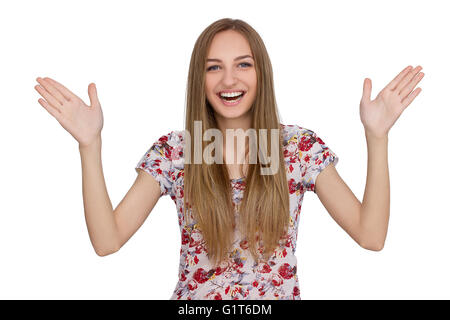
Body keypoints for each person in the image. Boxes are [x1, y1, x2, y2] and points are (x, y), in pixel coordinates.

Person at [34, 18, 424, 300]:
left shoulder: (295, 148)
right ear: (199, 80)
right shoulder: (178, 152)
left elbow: (371, 236)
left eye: (243, 64)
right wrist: (90, 144)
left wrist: (377, 137)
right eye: (214, 67)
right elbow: (107, 240)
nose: (229, 80)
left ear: (261, 74)